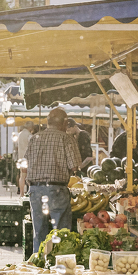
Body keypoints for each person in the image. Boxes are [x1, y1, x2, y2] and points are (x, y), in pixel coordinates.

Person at [25, 107, 81, 253]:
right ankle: (59, 265)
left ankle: (40, 264)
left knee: (39, 233)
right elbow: (75, 166)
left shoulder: (34, 138)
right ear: (65, 122)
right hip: (57, 190)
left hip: (35, 189)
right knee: (61, 234)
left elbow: (25, 164)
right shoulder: (66, 138)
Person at [16, 121, 35, 196]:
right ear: (30, 127)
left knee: (22, 176)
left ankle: (21, 193)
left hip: (21, 157)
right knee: (29, 176)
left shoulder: (20, 134)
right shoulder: (29, 135)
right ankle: (28, 191)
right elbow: (32, 145)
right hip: (28, 158)